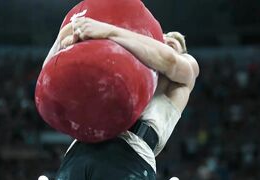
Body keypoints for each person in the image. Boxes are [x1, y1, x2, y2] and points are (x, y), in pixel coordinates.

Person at [43, 17, 199, 180]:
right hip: (80, 148)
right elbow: (48, 81)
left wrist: (108, 31)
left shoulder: (187, 67)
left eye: (171, 45)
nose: (162, 44)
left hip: (129, 151)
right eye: (159, 41)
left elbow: (169, 60)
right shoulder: (124, 67)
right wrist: (65, 37)